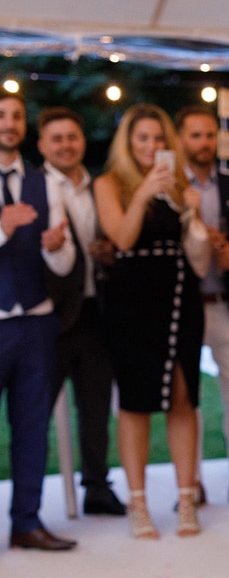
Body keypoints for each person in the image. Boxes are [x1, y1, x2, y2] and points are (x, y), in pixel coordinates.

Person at [94, 104, 206, 539]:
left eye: (158, 139)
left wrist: (192, 210)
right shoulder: (110, 184)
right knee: (135, 402)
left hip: (180, 296)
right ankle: (137, 502)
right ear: (128, 142)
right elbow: (120, 238)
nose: (152, 146)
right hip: (132, 302)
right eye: (142, 138)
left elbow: (196, 248)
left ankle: (186, 497)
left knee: (183, 397)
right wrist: (143, 192)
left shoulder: (180, 185)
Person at [0, 91, 78, 551]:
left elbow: (65, 261)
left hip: (36, 323)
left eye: (15, 116)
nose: (8, 123)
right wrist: (3, 227)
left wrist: (55, 247)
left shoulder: (43, 182)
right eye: (1, 115)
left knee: (33, 427)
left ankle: (26, 522)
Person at [38, 106, 124, 517]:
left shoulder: (100, 188)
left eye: (72, 137)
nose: (66, 145)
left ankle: (96, 487)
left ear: (82, 140)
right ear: (42, 145)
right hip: (50, 317)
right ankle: (30, 502)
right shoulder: (33, 187)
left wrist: (107, 252)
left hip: (96, 312)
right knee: (36, 412)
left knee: (95, 408)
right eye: (56, 138)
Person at [175, 105, 229, 508]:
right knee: (187, 396)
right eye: (195, 135)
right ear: (180, 140)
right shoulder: (171, 188)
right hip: (187, 307)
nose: (204, 143)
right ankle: (190, 482)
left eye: (209, 135)